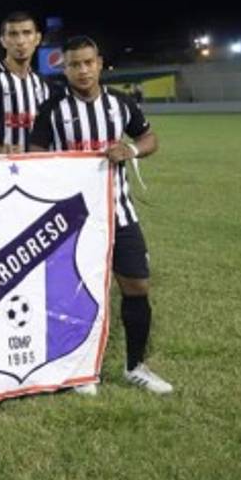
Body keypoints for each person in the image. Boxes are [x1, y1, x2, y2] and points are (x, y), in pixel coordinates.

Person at [29, 35, 173, 395]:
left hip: (120, 212)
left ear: (99, 63)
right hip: (73, 219)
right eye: (74, 64)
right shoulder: (52, 110)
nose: (82, 70)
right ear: (64, 69)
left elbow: (150, 139)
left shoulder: (120, 104)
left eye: (88, 63)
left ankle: (135, 367)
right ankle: (77, 370)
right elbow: (35, 157)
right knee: (75, 292)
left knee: (137, 286)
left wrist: (131, 149)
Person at [0, 11, 52, 152]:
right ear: (3, 41)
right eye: (13, 34)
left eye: (27, 33)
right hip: (3, 162)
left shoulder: (43, 82)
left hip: (36, 163)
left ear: (37, 38)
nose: (20, 41)